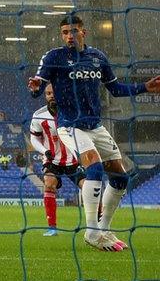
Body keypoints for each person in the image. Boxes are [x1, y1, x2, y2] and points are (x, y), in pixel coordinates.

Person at [28, 15, 160, 251]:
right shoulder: (54, 57)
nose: (70, 36)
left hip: (95, 126)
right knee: (95, 168)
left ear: (83, 32)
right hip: (70, 125)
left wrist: (144, 87)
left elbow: (115, 89)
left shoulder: (97, 57)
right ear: (62, 35)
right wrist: (36, 88)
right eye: (65, 32)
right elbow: (39, 85)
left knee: (121, 177)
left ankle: (104, 229)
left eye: (74, 31)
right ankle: (91, 232)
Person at [30, 83, 84, 237]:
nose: (51, 96)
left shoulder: (74, 111)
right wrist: (44, 151)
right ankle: (52, 228)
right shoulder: (38, 115)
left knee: (87, 188)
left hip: (73, 160)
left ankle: (98, 227)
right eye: (47, 93)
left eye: (53, 92)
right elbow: (34, 139)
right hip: (52, 160)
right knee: (49, 184)